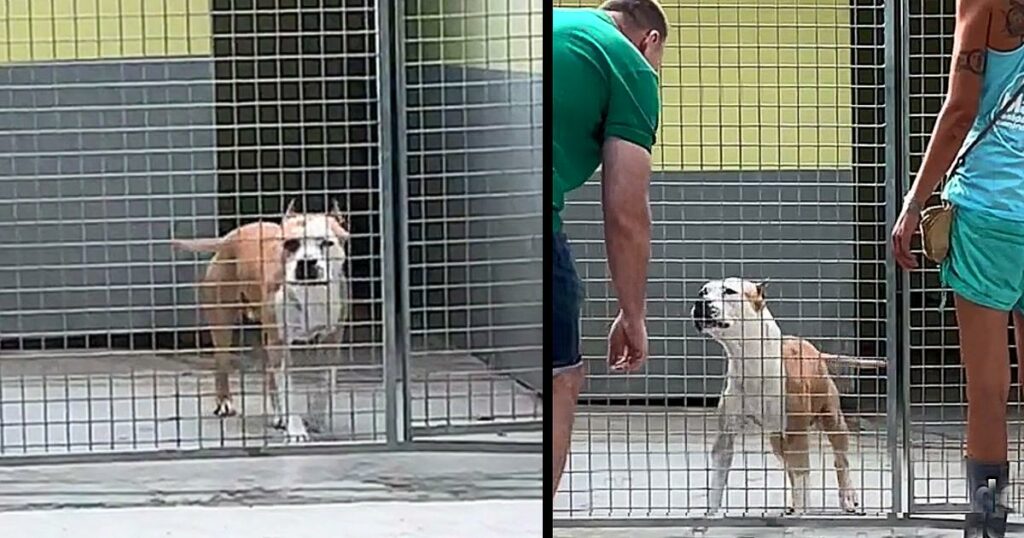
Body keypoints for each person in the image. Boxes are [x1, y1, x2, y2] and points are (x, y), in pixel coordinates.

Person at [892, 0, 1024, 535]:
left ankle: (988, 513)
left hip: (990, 213)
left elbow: (960, 112)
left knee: (989, 388)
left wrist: (914, 200)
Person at [551, 0, 666, 499]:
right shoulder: (631, 64)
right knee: (560, 380)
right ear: (651, 40)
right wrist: (632, 313)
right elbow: (626, 212)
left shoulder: (561, 23)